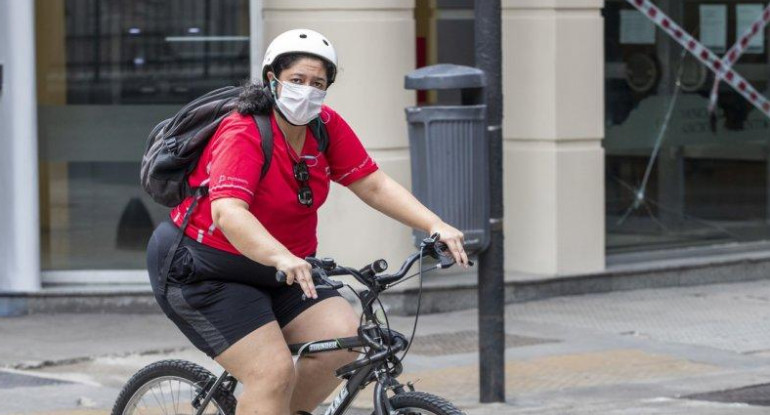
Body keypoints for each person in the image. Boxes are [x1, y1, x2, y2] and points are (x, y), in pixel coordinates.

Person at [146, 28, 469, 415]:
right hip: (204, 271)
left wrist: (435, 224)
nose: (307, 91)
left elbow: (373, 185)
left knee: (348, 340)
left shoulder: (325, 126)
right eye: (297, 80)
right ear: (272, 80)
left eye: (318, 83)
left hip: (286, 271)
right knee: (272, 373)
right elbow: (228, 212)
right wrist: (281, 256)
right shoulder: (244, 130)